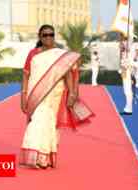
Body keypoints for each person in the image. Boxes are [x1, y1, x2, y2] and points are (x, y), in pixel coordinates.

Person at [20, 24, 94, 169]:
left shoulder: (60, 55)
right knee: (38, 122)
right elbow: (26, 76)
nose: (48, 37)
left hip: (55, 95)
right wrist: (23, 96)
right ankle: (39, 156)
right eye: (45, 35)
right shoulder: (33, 54)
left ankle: (43, 158)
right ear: (40, 37)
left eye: (51, 34)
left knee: (50, 125)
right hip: (36, 94)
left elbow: (68, 74)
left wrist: (72, 93)